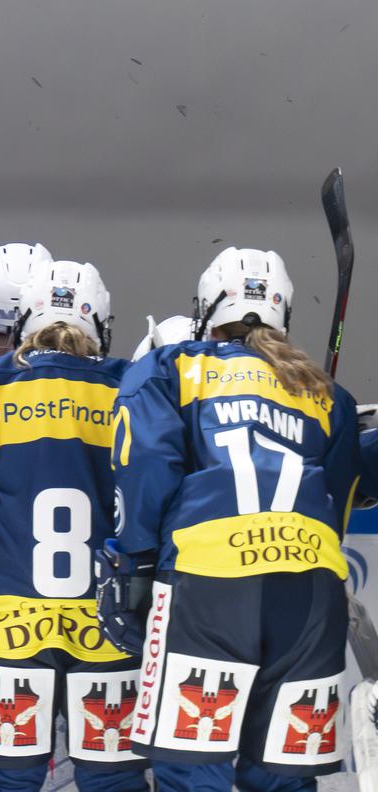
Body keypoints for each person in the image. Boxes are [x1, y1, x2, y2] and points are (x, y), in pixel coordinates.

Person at [99, 247, 358, 791]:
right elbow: (338, 501)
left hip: (207, 588)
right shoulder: (327, 395)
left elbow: (144, 466)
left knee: (193, 767)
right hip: (310, 593)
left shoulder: (176, 366)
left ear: (206, 309)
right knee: (284, 776)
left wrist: (136, 563)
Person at [0, 261, 148, 791]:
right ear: (101, 324)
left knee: (7, 782)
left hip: (4, 615)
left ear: (22, 324)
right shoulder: (133, 387)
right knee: (113, 781)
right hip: (109, 617)